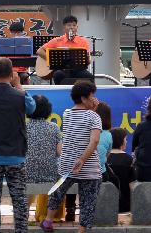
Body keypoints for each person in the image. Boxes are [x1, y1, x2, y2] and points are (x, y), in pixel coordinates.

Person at [0, 57, 36, 233]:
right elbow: (32, 108)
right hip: (16, 155)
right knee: (19, 199)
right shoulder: (20, 96)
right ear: (12, 75)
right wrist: (18, 85)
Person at [41, 81, 102, 233]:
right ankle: (81, 230)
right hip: (89, 167)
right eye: (91, 96)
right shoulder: (94, 117)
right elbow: (94, 141)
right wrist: (82, 160)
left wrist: (92, 110)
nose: (94, 99)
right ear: (83, 98)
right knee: (88, 200)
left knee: (58, 191)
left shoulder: (67, 113)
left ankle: (48, 220)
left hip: (67, 164)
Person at [24, 94, 63, 223]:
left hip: (26, 174)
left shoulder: (22, 127)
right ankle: (49, 217)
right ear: (48, 110)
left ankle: (24, 213)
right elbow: (60, 152)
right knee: (61, 179)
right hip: (50, 174)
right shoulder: (54, 128)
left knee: (23, 174)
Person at [36, 15, 93, 84]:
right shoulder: (57, 40)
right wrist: (51, 59)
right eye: (69, 25)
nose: (72, 27)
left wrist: (87, 58)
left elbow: (88, 61)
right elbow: (39, 51)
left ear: (77, 27)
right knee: (57, 75)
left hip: (78, 70)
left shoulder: (83, 41)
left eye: (74, 25)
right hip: (62, 70)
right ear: (64, 28)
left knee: (89, 76)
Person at [107, 128, 135, 213]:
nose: (126, 142)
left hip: (105, 204)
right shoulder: (129, 159)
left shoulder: (104, 159)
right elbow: (132, 186)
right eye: (126, 139)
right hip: (125, 206)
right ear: (121, 141)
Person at [95, 102, 114, 182]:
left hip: (81, 172)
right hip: (100, 173)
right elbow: (106, 155)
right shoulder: (108, 135)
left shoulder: (85, 131)